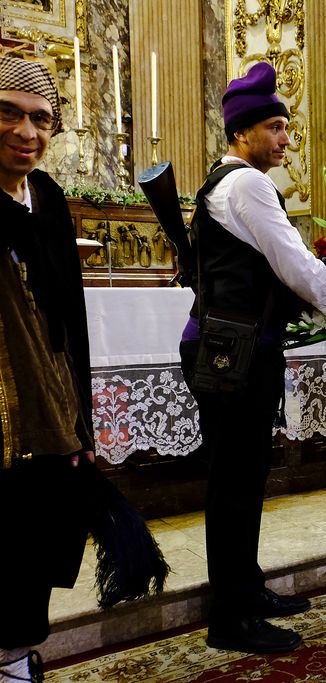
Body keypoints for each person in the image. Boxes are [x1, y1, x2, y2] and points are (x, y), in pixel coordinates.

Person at [179, 61, 326, 655]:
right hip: (234, 353)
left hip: (237, 346)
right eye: (275, 127)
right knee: (233, 484)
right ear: (243, 132)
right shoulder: (247, 184)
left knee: (245, 477)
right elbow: (296, 268)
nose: (286, 140)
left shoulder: (225, 182)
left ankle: (245, 589)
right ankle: (230, 618)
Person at [0, 54, 95, 682]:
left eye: (39, 119)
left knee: (35, 536)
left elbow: (72, 313)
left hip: (48, 399)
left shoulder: (51, 200)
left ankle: (14, 658)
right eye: (8, 114)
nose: (26, 132)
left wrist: (83, 417)